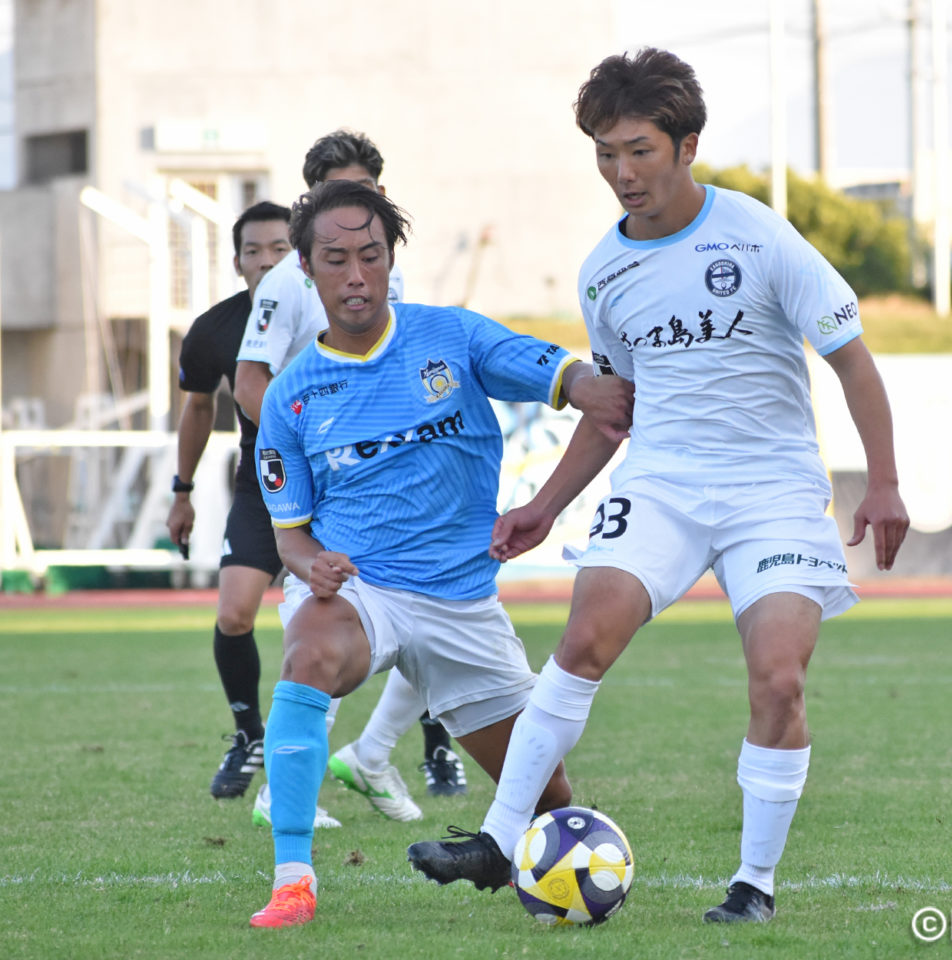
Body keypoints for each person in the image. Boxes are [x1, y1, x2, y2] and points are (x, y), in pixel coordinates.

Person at [406, 47, 909, 925]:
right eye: (605, 154)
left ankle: (753, 886)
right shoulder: (604, 272)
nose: (623, 173)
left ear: (687, 146)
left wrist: (885, 484)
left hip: (772, 492)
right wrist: (543, 506)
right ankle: (497, 838)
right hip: (664, 483)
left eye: (639, 150)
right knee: (583, 640)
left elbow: (853, 363)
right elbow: (616, 410)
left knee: (779, 680)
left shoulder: (758, 235)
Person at [247, 180, 634, 927]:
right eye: (336, 260)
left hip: (462, 602)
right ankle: (293, 878)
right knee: (308, 651)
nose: (356, 275)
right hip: (365, 590)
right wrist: (309, 564)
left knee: (549, 805)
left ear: (392, 259)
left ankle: (559, 886)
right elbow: (289, 535)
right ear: (306, 267)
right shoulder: (291, 397)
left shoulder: (451, 337)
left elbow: (559, 372)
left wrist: (588, 385)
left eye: (371, 255)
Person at [234, 129, 461, 826]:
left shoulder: (391, 274)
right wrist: (310, 455)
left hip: (401, 487)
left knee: (443, 615)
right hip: (331, 489)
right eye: (331, 196)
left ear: (381, 195)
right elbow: (250, 382)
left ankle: (371, 755)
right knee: (322, 630)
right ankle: (283, 791)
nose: (349, 215)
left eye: (359, 193)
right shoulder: (289, 279)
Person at [168, 201, 292, 800]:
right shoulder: (215, 329)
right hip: (263, 484)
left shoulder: (336, 314)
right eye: (253, 251)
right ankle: (249, 737)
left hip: (344, 484)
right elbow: (198, 407)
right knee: (234, 613)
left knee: (408, 609)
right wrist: (182, 492)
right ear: (237, 262)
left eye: (280, 249)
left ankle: (430, 748)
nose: (266, 261)